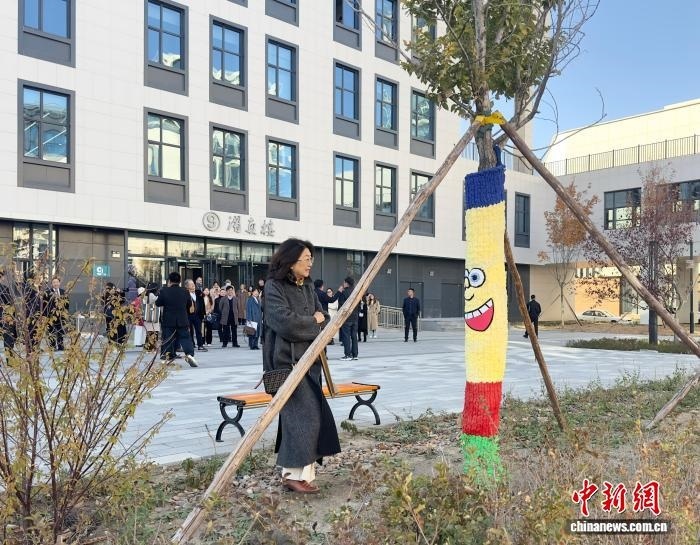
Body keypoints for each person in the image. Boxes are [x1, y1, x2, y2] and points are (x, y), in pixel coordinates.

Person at [263, 238, 340, 494]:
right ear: (290, 261)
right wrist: (312, 321)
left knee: (309, 417)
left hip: (311, 362)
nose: (309, 264)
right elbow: (285, 323)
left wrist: (314, 321)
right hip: (287, 364)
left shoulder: (307, 285)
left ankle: (300, 475)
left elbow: (324, 317)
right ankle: (291, 475)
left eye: (310, 259)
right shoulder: (274, 287)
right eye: (305, 259)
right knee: (302, 418)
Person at [155, 272, 198, 367]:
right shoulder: (185, 291)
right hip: (182, 319)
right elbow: (189, 305)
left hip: (168, 320)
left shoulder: (164, 291)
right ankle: (190, 355)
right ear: (180, 281)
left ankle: (167, 358)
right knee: (185, 338)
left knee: (168, 339)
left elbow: (158, 303)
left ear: (169, 281)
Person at [43, 276, 68, 351]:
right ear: (51, 284)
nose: (55, 284)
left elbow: (67, 304)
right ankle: (52, 347)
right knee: (51, 331)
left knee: (60, 331)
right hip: (51, 316)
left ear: (59, 283)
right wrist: (45, 316)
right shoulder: (47, 292)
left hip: (61, 316)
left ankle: (61, 346)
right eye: (54, 282)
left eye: (57, 282)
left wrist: (65, 314)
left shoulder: (63, 292)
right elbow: (44, 305)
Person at [337, 277, 359, 361]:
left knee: (346, 336)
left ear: (346, 283)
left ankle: (347, 355)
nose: (343, 284)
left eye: (344, 282)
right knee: (354, 336)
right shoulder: (356, 292)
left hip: (346, 318)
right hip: (355, 317)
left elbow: (341, 304)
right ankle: (355, 355)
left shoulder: (344, 292)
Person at [314, 279, 339, 344]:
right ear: (322, 286)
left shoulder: (312, 292)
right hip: (323, 314)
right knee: (323, 329)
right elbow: (331, 300)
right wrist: (339, 292)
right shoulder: (322, 294)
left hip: (313, 314)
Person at [185, 279, 207, 352]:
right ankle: (192, 344)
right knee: (190, 331)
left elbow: (202, 301)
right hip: (188, 315)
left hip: (197, 315)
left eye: (193, 284)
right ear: (187, 286)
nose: (193, 286)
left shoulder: (198, 292)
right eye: (191, 284)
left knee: (199, 331)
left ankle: (200, 345)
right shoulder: (185, 294)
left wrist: (203, 313)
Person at [0, 270, 17, 354]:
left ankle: (9, 358)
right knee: (8, 337)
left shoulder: (4, 288)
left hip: (4, 317)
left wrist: (10, 317)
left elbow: (9, 305)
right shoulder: (4, 288)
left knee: (8, 338)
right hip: (4, 316)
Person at [142, 282, 160, 351]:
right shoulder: (152, 295)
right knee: (153, 332)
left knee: (149, 333)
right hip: (153, 316)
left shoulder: (146, 294)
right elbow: (157, 300)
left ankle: (148, 348)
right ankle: (151, 348)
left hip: (148, 316)